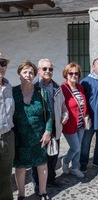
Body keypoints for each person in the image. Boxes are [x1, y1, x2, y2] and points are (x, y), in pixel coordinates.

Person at [13, 61, 53, 200]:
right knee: (20, 167)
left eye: (31, 72)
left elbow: (49, 114)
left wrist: (48, 131)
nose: (28, 75)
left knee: (42, 165)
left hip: (39, 137)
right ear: (19, 74)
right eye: (25, 72)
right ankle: (21, 194)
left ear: (35, 75)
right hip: (19, 137)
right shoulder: (13, 92)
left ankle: (42, 191)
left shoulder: (41, 92)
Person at [32, 58, 62, 192]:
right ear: (38, 71)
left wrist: (65, 113)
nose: (48, 71)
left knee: (53, 155)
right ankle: (37, 183)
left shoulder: (56, 87)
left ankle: (50, 179)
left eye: (50, 69)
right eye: (44, 69)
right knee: (38, 156)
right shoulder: (33, 87)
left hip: (55, 126)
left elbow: (63, 105)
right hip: (38, 128)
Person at [60, 63, 89, 178]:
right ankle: (66, 161)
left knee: (79, 147)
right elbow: (59, 106)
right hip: (69, 125)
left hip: (81, 123)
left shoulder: (80, 87)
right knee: (75, 147)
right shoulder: (62, 88)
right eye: (71, 73)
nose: (74, 75)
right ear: (66, 74)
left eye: (76, 73)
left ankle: (75, 167)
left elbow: (83, 104)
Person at [0, 52, 15, 200]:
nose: (1, 67)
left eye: (3, 63)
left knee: (5, 177)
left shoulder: (8, 86)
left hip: (8, 137)